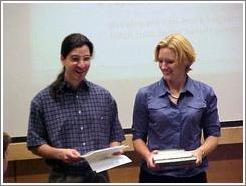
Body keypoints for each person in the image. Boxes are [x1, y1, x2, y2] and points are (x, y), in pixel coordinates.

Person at [27, 33, 125, 183]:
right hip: (63, 177)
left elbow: (115, 134)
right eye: (75, 59)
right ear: (62, 59)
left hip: (99, 177)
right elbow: (35, 143)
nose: (81, 64)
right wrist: (58, 153)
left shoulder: (103, 96)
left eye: (86, 59)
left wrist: (114, 149)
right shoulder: (42, 100)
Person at [132, 33, 221, 183]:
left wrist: (200, 152)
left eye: (170, 62)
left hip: (193, 174)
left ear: (185, 61)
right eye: (160, 61)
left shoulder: (205, 93)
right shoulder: (145, 94)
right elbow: (137, 138)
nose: (163, 66)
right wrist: (148, 156)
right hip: (155, 176)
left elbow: (213, 135)